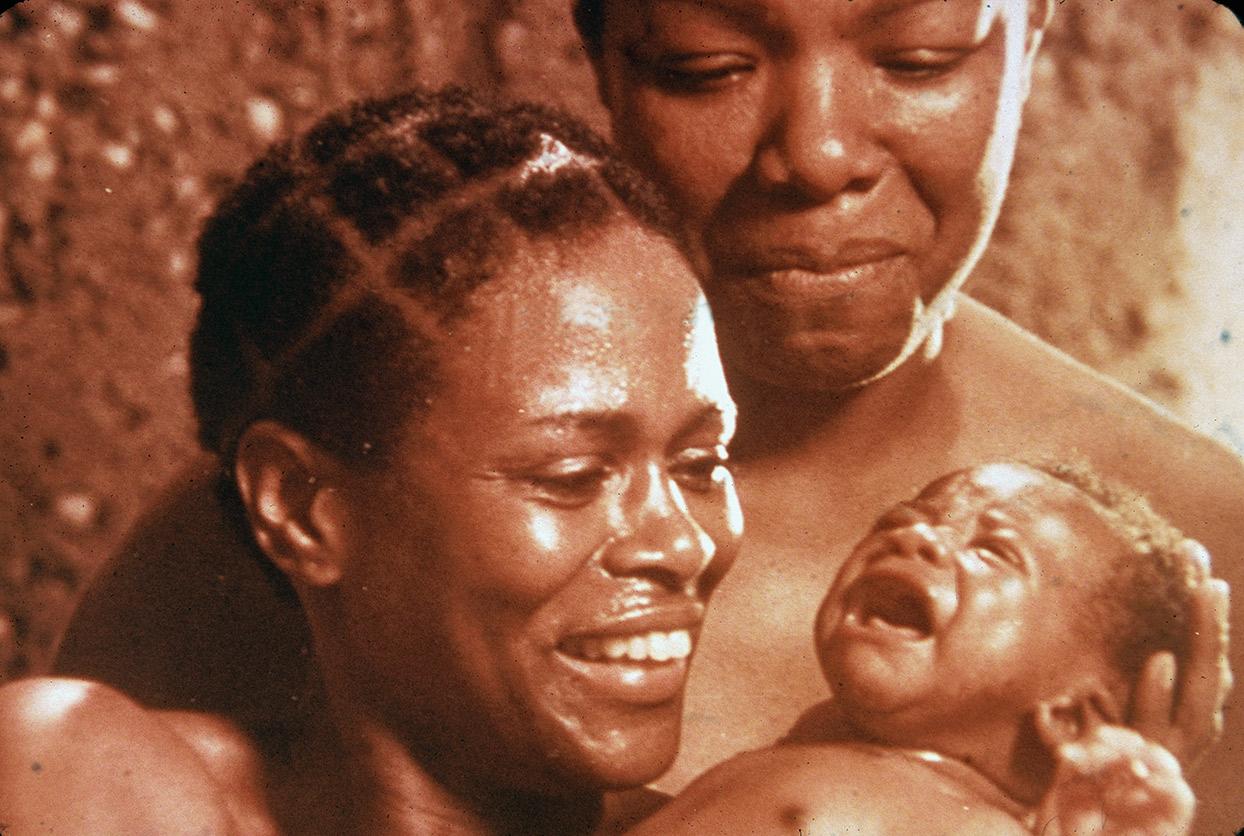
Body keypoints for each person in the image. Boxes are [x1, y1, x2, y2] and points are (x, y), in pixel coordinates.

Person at [56, 0, 1242, 828]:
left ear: (1033, 24)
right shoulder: (246, 547)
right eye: (705, 65)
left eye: (921, 55)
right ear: (605, 53)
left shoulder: (1190, 568)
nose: (817, 153)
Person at [2, 87, 745, 834]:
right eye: (572, 477)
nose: (684, 543)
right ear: (299, 507)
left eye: (701, 465)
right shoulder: (73, 773)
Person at [628, 461, 1215, 834]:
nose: (916, 536)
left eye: (993, 552)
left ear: (1068, 717)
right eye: (900, 519)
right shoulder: (832, 756)